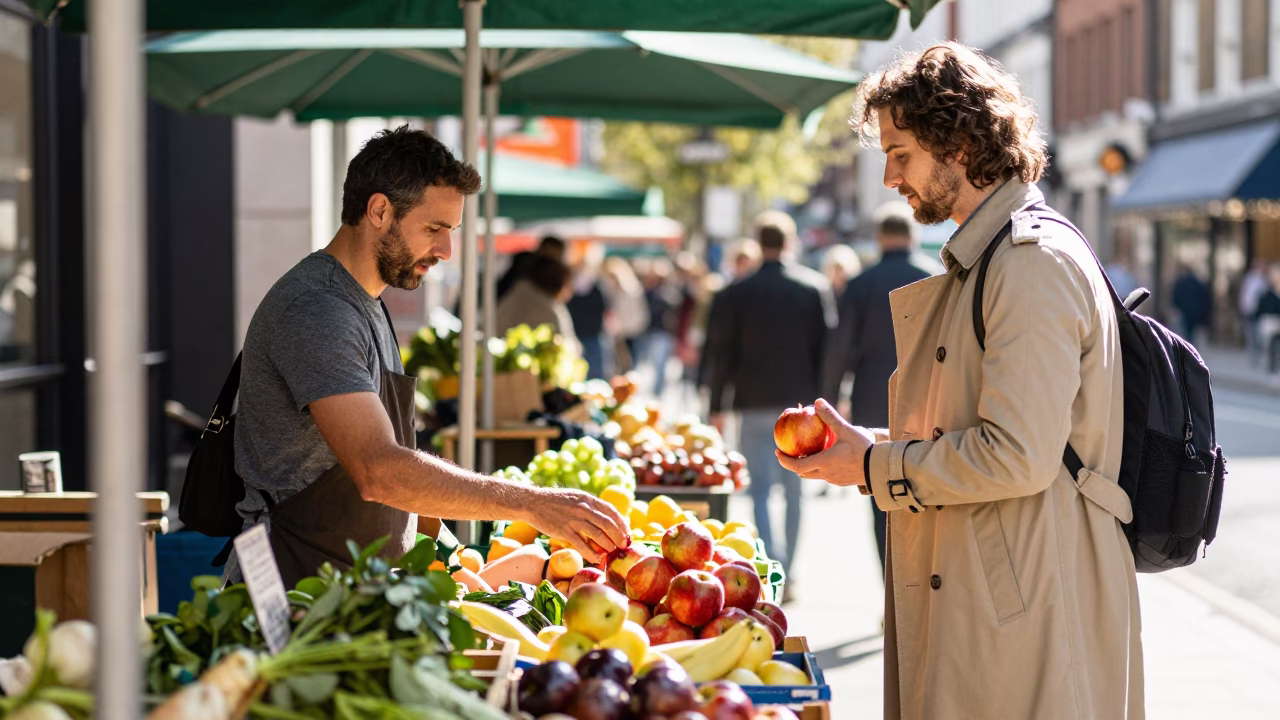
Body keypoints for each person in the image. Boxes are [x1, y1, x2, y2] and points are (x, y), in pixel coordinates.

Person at [777, 44, 1143, 719]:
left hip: (1025, 612)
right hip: (999, 593)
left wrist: (877, 463)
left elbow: (1017, 454)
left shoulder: (1027, 263)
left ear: (961, 144)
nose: (890, 177)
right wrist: (871, 451)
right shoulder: (992, 254)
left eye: (901, 153)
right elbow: (983, 428)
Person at [227, 127, 625, 588]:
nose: (445, 250)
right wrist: (531, 503)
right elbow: (380, 470)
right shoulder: (317, 309)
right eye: (434, 229)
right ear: (379, 211)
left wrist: (451, 561)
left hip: (353, 586)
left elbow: (399, 463)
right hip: (298, 588)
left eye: (450, 231)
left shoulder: (368, 302)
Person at [705, 210, 837, 586]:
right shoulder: (811, 288)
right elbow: (826, 350)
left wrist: (716, 406)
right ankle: (789, 569)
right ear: (790, 242)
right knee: (795, 490)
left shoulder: (735, 292)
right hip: (803, 408)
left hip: (752, 401)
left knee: (760, 489)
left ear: (758, 243)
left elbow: (721, 353)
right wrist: (828, 404)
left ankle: (773, 566)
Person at [820, 202, 941, 574]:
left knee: (881, 497)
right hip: (928, 399)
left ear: (878, 238)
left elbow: (840, 349)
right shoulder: (935, 277)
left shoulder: (860, 284)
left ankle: (892, 588)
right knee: (927, 493)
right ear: (913, 234)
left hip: (874, 400)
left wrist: (827, 407)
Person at [495, 253, 581, 358]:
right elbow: (568, 349)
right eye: (567, 285)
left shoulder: (513, 296)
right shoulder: (549, 309)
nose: (569, 293)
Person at [567, 244, 611, 379]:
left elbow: (605, 309)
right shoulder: (572, 287)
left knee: (595, 373)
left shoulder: (597, 287)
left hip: (593, 335)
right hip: (580, 335)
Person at [1239, 257, 1270, 366]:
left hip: (1254, 311)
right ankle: (1253, 357)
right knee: (1252, 334)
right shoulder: (1255, 280)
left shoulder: (1260, 280)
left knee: (1255, 334)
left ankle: (1254, 356)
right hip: (1252, 311)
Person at [1172, 264, 1211, 345]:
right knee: (1192, 330)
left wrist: (1176, 306)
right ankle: (1190, 345)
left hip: (1184, 310)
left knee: (1185, 329)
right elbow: (1204, 298)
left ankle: (1186, 345)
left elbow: (1176, 296)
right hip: (1195, 311)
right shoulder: (1198, 283)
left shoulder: (1181, 283)